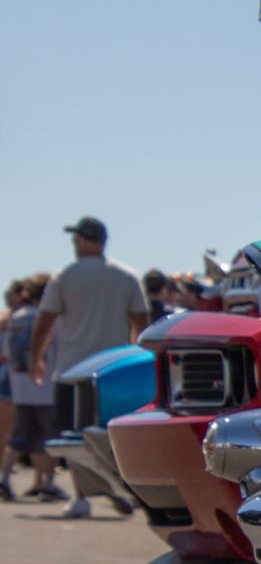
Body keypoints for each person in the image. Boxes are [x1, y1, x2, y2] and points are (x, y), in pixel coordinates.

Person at [30, 217, 149, 517]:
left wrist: (37, 359)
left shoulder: (64, 276)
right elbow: (142, 325)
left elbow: (44, 322)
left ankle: (83, 495)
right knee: (115, 437)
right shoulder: (127, 276)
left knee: (74, 436)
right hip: (115, 372)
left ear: (84, 241)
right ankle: (122, 487)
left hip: (73, 370)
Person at [1, 275, 64, 502]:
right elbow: (59, 349)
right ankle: (48, 484)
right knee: (52, 441)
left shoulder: (15, 318)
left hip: (21, 389)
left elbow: (9, 353)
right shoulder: (50, 319)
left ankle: (4, 479)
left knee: (17, 439)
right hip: (46, 389)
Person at [0, 281, 19, 465]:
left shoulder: (9, 319)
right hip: (8, 378)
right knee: (6, 430)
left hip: (9, 377)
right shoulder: (9, 319)